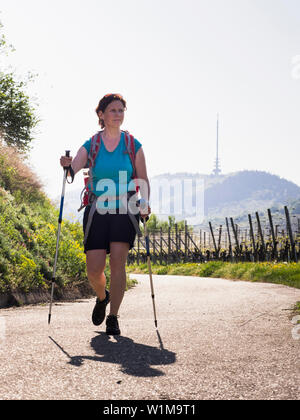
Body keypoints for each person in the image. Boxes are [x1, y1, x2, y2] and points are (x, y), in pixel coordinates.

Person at [60, 93, 151, 335]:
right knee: (94, 269)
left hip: (125, 208)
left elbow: (143, 179)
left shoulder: (133, 145)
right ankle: (102, 297)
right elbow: (73, 170)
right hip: (97, 208)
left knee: (118, 264)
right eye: (113, 110)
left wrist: (145, 201)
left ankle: (113, 317)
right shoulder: (92, 144)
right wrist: (67, 164)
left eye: (121, 110)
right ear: (101, 114)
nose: (118, 114)